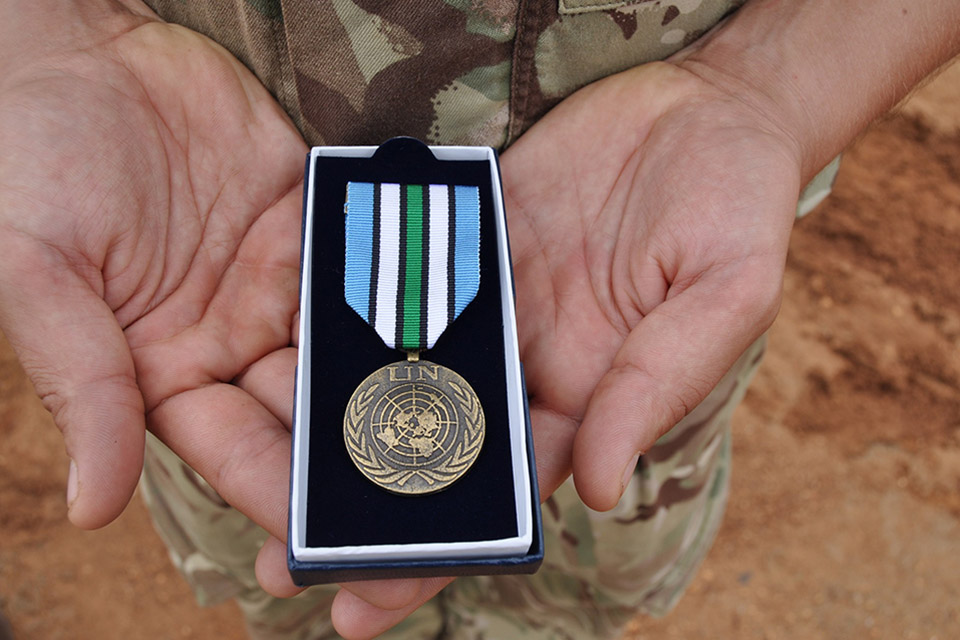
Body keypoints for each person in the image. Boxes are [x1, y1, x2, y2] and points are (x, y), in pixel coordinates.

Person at [0, 1, 957, 638]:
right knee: (302, 597)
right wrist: (50, 34)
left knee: (584, 578)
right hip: (224, 282)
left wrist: (775, 83)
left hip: (629, 247)